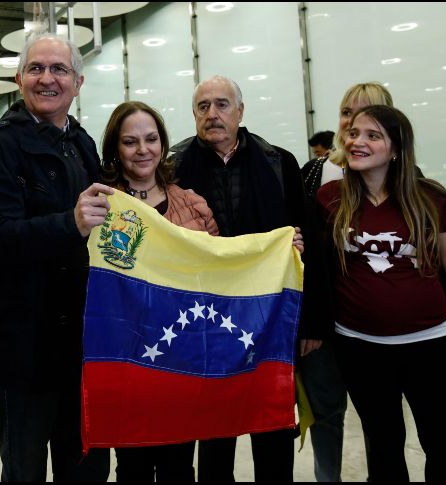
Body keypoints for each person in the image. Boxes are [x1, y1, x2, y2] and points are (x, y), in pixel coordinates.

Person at [299, 82, 446, 482]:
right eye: (350, 119)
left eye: (373, 124)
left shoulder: (419, 189)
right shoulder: (319, 184)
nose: (357, 131)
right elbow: (310, 256)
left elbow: (445, 260)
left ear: (395, 139)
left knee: (437, 443)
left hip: (425, 336)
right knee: (352, 426)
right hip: (350, 333)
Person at [0, 33, 113, 482]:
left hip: (84, 345)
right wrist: (69, 222)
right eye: (36, 69)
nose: (47, 79)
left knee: (86, 468)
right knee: (24, 469)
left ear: (78, 82)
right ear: (18, 79)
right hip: (24, 346)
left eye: (59, 70)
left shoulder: (84, 143)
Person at [170, 75, 319, 482]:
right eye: (203, 107)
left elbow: (309, 242)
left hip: (271, 319)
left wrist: (311, 321)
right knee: (215, 435)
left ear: (240, 110)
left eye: (222, 104)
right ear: (193, 114)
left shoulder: (278, 162)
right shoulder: (175, 165)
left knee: (273, 427)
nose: (212, 114)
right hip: (205, 323)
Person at [100, 101, 218, 482]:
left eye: (151, 139)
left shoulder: (193, 205)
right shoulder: (101, 205)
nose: (142, 150)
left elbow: (219, 268)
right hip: (127, 359)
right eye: (130, 141)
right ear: (116, 148)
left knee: (180, 465)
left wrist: (278, 248)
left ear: (163, 144)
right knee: (132, 466)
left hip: (181, 355)